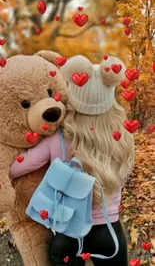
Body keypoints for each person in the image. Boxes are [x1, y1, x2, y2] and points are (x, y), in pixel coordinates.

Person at [10, 55, 135, 266]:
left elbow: (14, 168)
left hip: (68, 235)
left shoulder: (57, 137)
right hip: (109, 232)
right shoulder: (123, 137)